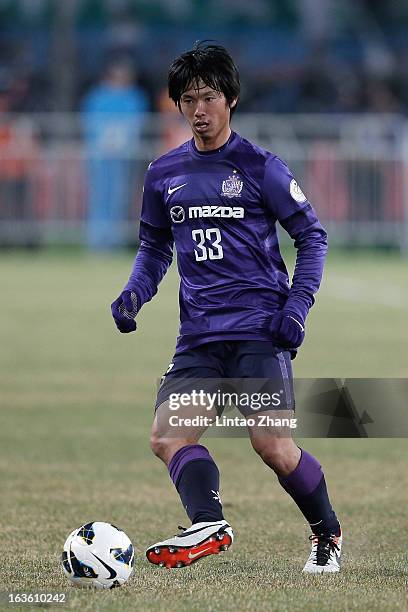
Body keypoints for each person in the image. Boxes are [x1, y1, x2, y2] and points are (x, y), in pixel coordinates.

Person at [111, 42, 342, 574]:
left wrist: (297, 308)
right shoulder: (164, 172)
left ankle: (327, 532)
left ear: (231, 99)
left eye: (209, 96)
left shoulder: (261, 167)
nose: (199, 109)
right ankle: (208, 521)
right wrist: (134, 294)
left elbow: (312, 237)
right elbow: (154, 247)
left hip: (259, 330)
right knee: (167, 436)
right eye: (189, 99)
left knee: (272, 444)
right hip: (198, 336)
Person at [81, 58, 148, 249]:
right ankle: (97, 241)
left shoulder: (134, 97)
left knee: (120, 197)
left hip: (124, 157)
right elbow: (91, 122)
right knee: (99, 197)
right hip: (100, 157)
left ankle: (115, 240)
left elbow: (137, 123)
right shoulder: (97, 97)